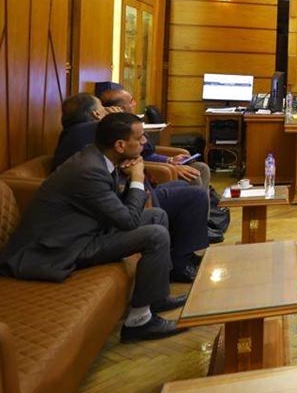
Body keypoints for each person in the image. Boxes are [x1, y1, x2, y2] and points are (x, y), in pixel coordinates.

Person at [0, 113, 188, 342]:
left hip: (88, 230)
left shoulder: (100, 157)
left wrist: (129, 177)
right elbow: (129, 221)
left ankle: (156, 298)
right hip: (64, 248)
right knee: (155, 235)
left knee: (157, 216)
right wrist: (137, 177)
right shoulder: (89, 170)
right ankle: (139, 322)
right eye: (140, 137)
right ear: (120, 145)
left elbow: (117, 208)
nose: (144, 142)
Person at [65, 92, 212, 280]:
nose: (108, 111)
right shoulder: (85, 138)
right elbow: (126, 217)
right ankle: (179, 264)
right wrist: (137, 176)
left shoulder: (91, 139)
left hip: (124, 199)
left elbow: (144, 149)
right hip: (104, 220)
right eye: (102, 108)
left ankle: (182, 257)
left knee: (188, 190)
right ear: (96, 114)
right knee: (190, 196)